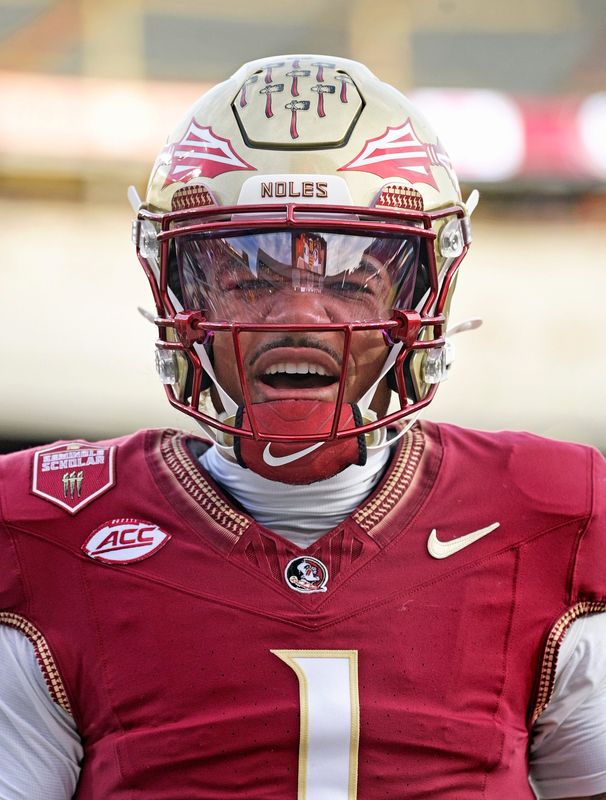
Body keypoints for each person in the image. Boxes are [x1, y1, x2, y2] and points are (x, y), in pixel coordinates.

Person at [0, 54, 605, 800]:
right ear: (175, 289)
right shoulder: (50, 535)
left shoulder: (549, 521)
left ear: (425, 293)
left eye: (350, 282)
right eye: (251, 278)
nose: (299, 318)